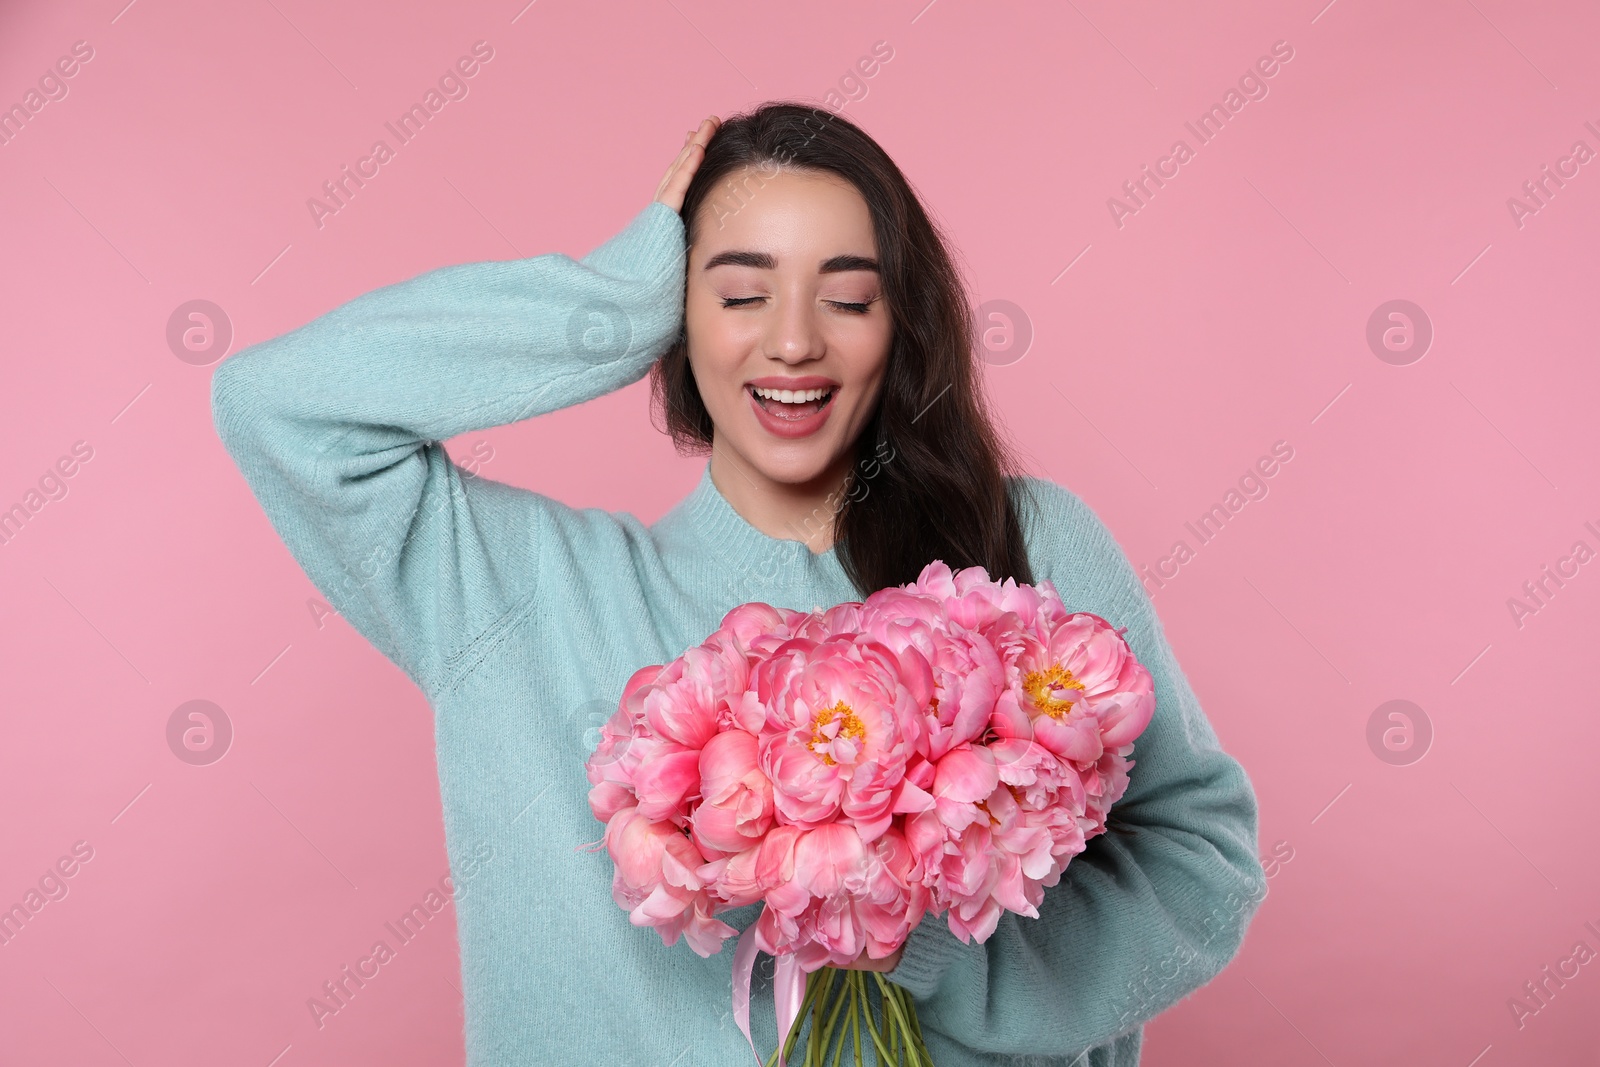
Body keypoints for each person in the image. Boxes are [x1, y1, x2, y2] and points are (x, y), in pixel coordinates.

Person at [211, 101, 1266, 1066]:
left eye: (846, 296)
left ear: (900, 322)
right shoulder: (513, 591)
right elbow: (279, 405)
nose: (795, 340)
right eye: (740, 293)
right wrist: (613, 301)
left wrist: (944, 959)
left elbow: (1199, 856)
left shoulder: (1025, 546)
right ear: (681, 313)